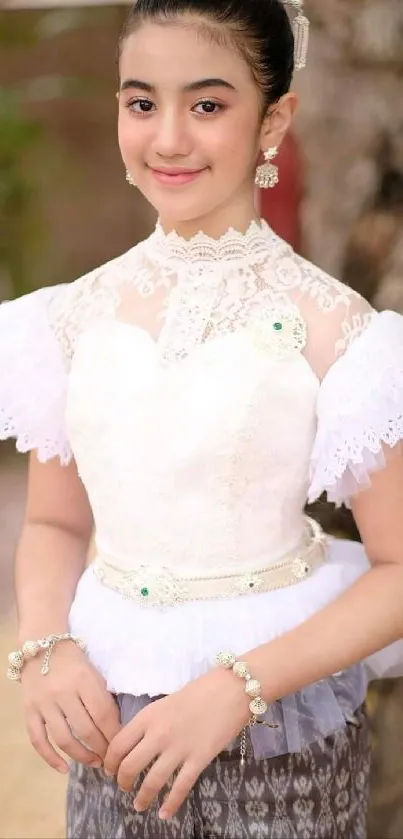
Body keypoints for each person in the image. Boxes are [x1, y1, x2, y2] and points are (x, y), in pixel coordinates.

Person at [2, 1, 403, 837]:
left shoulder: (337, 330)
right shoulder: (71, 317)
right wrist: (44, 648)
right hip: (109, 731)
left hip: (281, 740)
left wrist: (234, 689)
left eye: (208, 104)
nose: (169, 138)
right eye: (141, 102)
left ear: (274, 119)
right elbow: (50, 519)